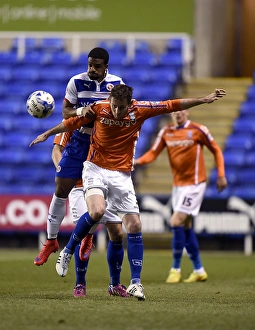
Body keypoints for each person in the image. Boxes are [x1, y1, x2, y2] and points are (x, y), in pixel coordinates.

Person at [30, 84, 226, 300]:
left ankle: (134, 283)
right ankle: (68, 251)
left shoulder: (140, 109)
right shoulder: (99, 108)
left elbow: (172, 105)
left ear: (129, 104)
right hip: (95, 168)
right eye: (114, 106)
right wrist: (47, 134)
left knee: (132, 226)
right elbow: (71, 123)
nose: (116, 111)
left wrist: (205, 99)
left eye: (121, 108)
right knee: (96, 212)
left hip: (121, 175)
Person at [34, 47, 128, 298]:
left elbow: (123, 109)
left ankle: (109, 281)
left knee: (108, 225)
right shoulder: (76, 82)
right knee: (60, 188)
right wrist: (79, 112)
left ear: (106, 67)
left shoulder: (117, 84)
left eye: (97, 66)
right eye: (90, 64)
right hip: (79, 142)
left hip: (102, 146)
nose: (92, 69)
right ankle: (52, 241)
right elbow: (66, 113)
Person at [135, 110, 228, 283]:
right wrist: (136, 161)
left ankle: (175, 269)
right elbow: (153, 153)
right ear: (171, 114)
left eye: (181, 111)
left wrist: (221, 174)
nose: (178, 114)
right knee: (186, 226)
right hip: (178, 186)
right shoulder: (166, 132)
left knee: (175, 221)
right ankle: (199, 270)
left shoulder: (199, 130)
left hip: (194, 184)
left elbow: (216, 150)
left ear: (188, 112)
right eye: (174, 112)